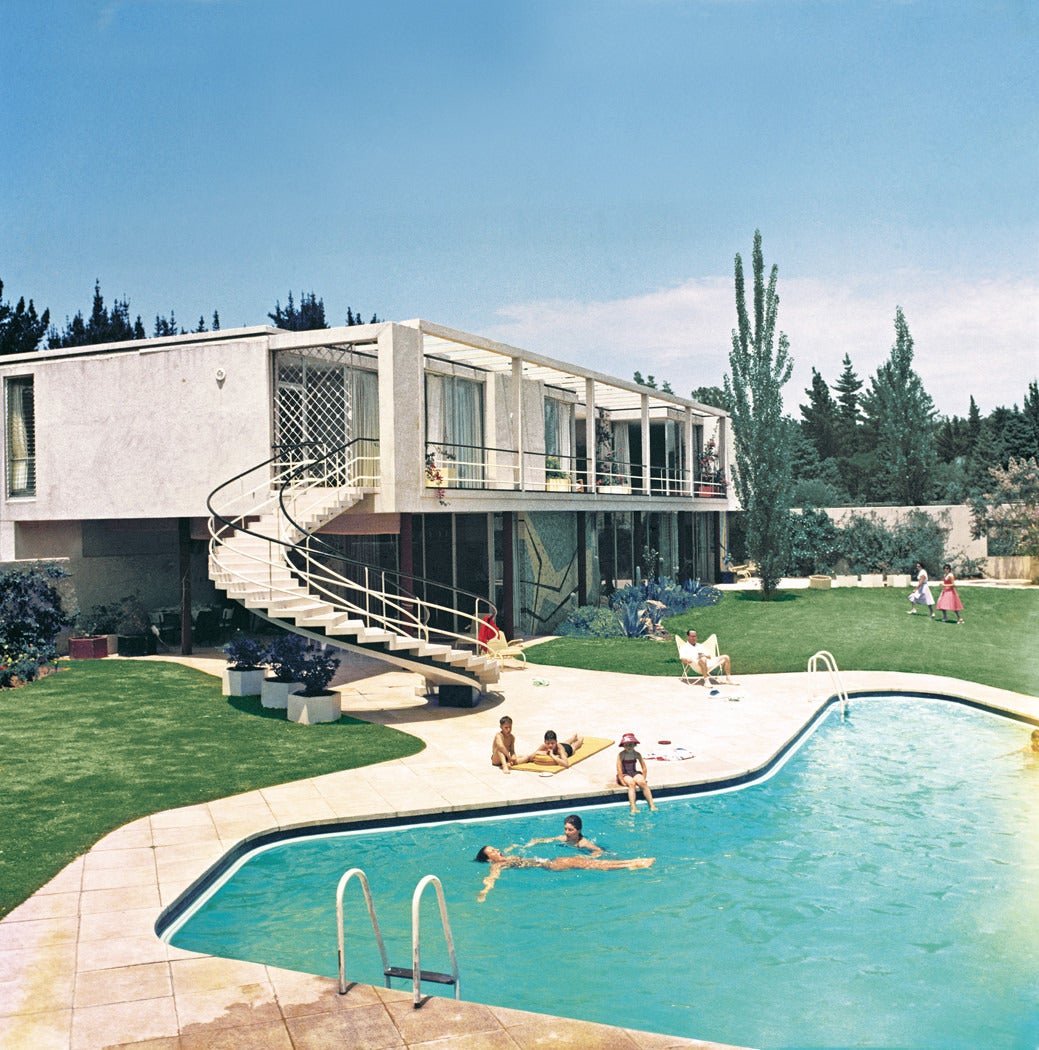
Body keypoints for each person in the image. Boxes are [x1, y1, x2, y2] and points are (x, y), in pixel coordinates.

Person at [474, 844, 654, 901]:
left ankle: (632, 863)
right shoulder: (497, 866)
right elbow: (491, 879)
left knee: (589, 863)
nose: (497, 850)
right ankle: (631, 864)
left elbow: (514, 848)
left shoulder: (506, 857)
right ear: (489, 859)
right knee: (589, 865)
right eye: (493, 852)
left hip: (552, 862)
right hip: (549, 866)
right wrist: (484, 892)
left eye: (495, 848)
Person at [523, 814, 603, 856]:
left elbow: (600, 851)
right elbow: (546, 839)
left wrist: (588, 857)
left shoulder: (583, 843)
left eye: (570, 830)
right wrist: (533, 843)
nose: (566, 832)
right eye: (565, 829)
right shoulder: (563, 838)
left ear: (579, 830)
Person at [616, 732, 657, 812]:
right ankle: (633, 807)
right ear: (623, 746)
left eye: (631, 744)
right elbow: (619, 769)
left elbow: (644, 767)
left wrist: (644, 778)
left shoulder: (637, 754)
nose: (629, 747)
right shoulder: (621, 755)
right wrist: (621, 780)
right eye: (626, 745)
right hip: (625, 774)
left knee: (643, 783)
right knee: (631, 783)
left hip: (634, 772)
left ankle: (652, 805)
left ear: (635, 745)